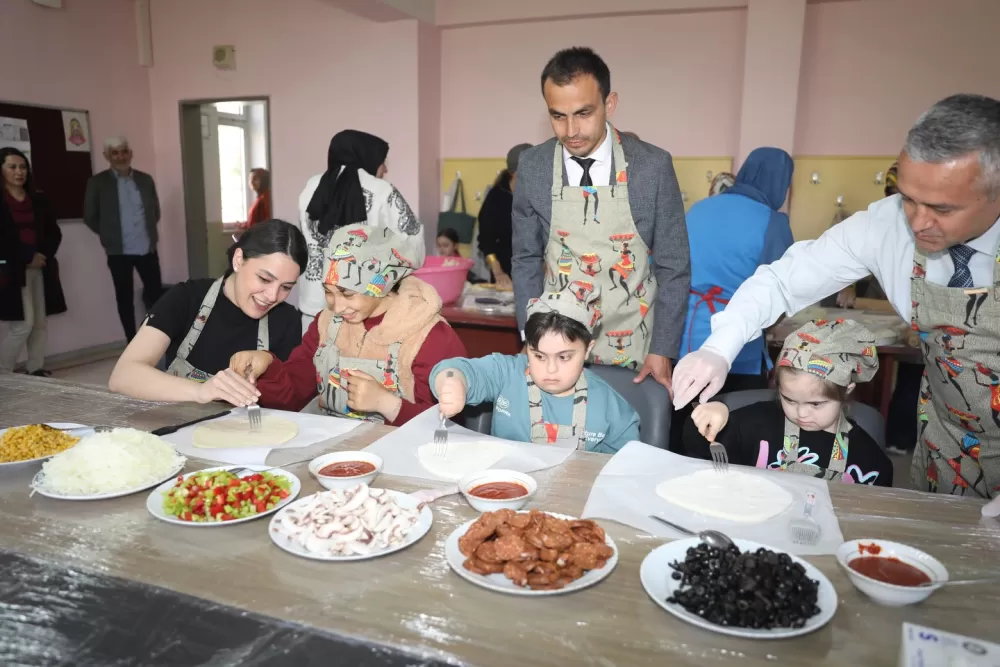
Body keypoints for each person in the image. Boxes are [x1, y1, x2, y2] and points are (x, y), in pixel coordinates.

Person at [672, 93, 1000, 499]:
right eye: (909, 199)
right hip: (949, 442)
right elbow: (781, 280)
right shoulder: (884, 227)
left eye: (942, 209)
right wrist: (720, 348)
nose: (918, 222)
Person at [512, 47, 690, 390]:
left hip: (637, 348)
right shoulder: (533, 167)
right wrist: (529, 336)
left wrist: (663, 348)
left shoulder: (652, 167)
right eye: (558, 116)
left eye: (584, 113)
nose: (571, 129)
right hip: (556, 348)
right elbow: (526, 258)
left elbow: (674, 266)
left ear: (610, 104)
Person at [232, 225, 465, 425]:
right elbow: (293, 393)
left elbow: (447, 422)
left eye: (347, 293)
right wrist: (268, 365)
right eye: (328, 292)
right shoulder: (327, 324)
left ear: (381, 284)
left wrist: (388, 404)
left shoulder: (430, 336)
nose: (338, 306)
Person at [108, 220, 306, 407]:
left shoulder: (287, 321)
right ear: (238, 260)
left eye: (286, 287)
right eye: (264, 279)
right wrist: (201, 391)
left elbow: (288, 402)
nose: (272, 296)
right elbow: (123, 376)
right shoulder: (187, 298)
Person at [684, 319, 893, 487]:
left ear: (846, 391)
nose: (801, 413)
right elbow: (693, 448)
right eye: (789, 399)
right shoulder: (757, 424)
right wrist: (714, 414)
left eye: (816, 404)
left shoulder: (869, 459)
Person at [433, 286, 639, 453]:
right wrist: (452, 381)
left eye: (564, 357)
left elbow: (625, 473)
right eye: (539, 356)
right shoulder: (508, 374)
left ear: (587, 350)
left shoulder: (610, 407)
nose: (550, 369)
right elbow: (452, 368)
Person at [680, 147, 795, 394]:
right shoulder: (773, 223)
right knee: (731, 423)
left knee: (683, 420)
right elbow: (782, 292)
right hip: (738, 347)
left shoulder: (698, 210)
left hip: (685, 338)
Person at [296, 130, 424, 335]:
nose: (385, 168)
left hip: (314, 307)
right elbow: (412, 246)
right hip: (363, 308)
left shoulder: (311, 187)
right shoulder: (382, 190)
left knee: (314, 362)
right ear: (368, 157)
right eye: (383, 161)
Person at [84, 136, 163, 341]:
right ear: (107, 156)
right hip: (119, 251)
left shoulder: (145, 180)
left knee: (156, 297)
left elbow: (155, 211)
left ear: (130, 153)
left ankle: (157, 340)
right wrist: (108, 235)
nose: (120, 156)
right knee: (124, 298)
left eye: (124, 151)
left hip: (147, 249)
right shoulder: (97, 182)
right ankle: (131, 342)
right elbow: (90, 217)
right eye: (115, 152)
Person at [0, 148, 66, 376]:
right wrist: (27, 256)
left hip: (40, 266)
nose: (19, 172)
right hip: (11, 269)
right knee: (22, 325)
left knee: (39, 322)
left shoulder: (38, 199)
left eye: (23, 167)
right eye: (12, 167)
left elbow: (53, 233)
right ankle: (4, 371)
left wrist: (41, 256)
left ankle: (35, 367)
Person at [478, 143, 531, 290]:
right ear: (514, 172)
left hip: (533, 271)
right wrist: (497, 270)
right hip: (503, 271)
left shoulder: (539, 196)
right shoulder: (496, 197)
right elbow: (485, 240)